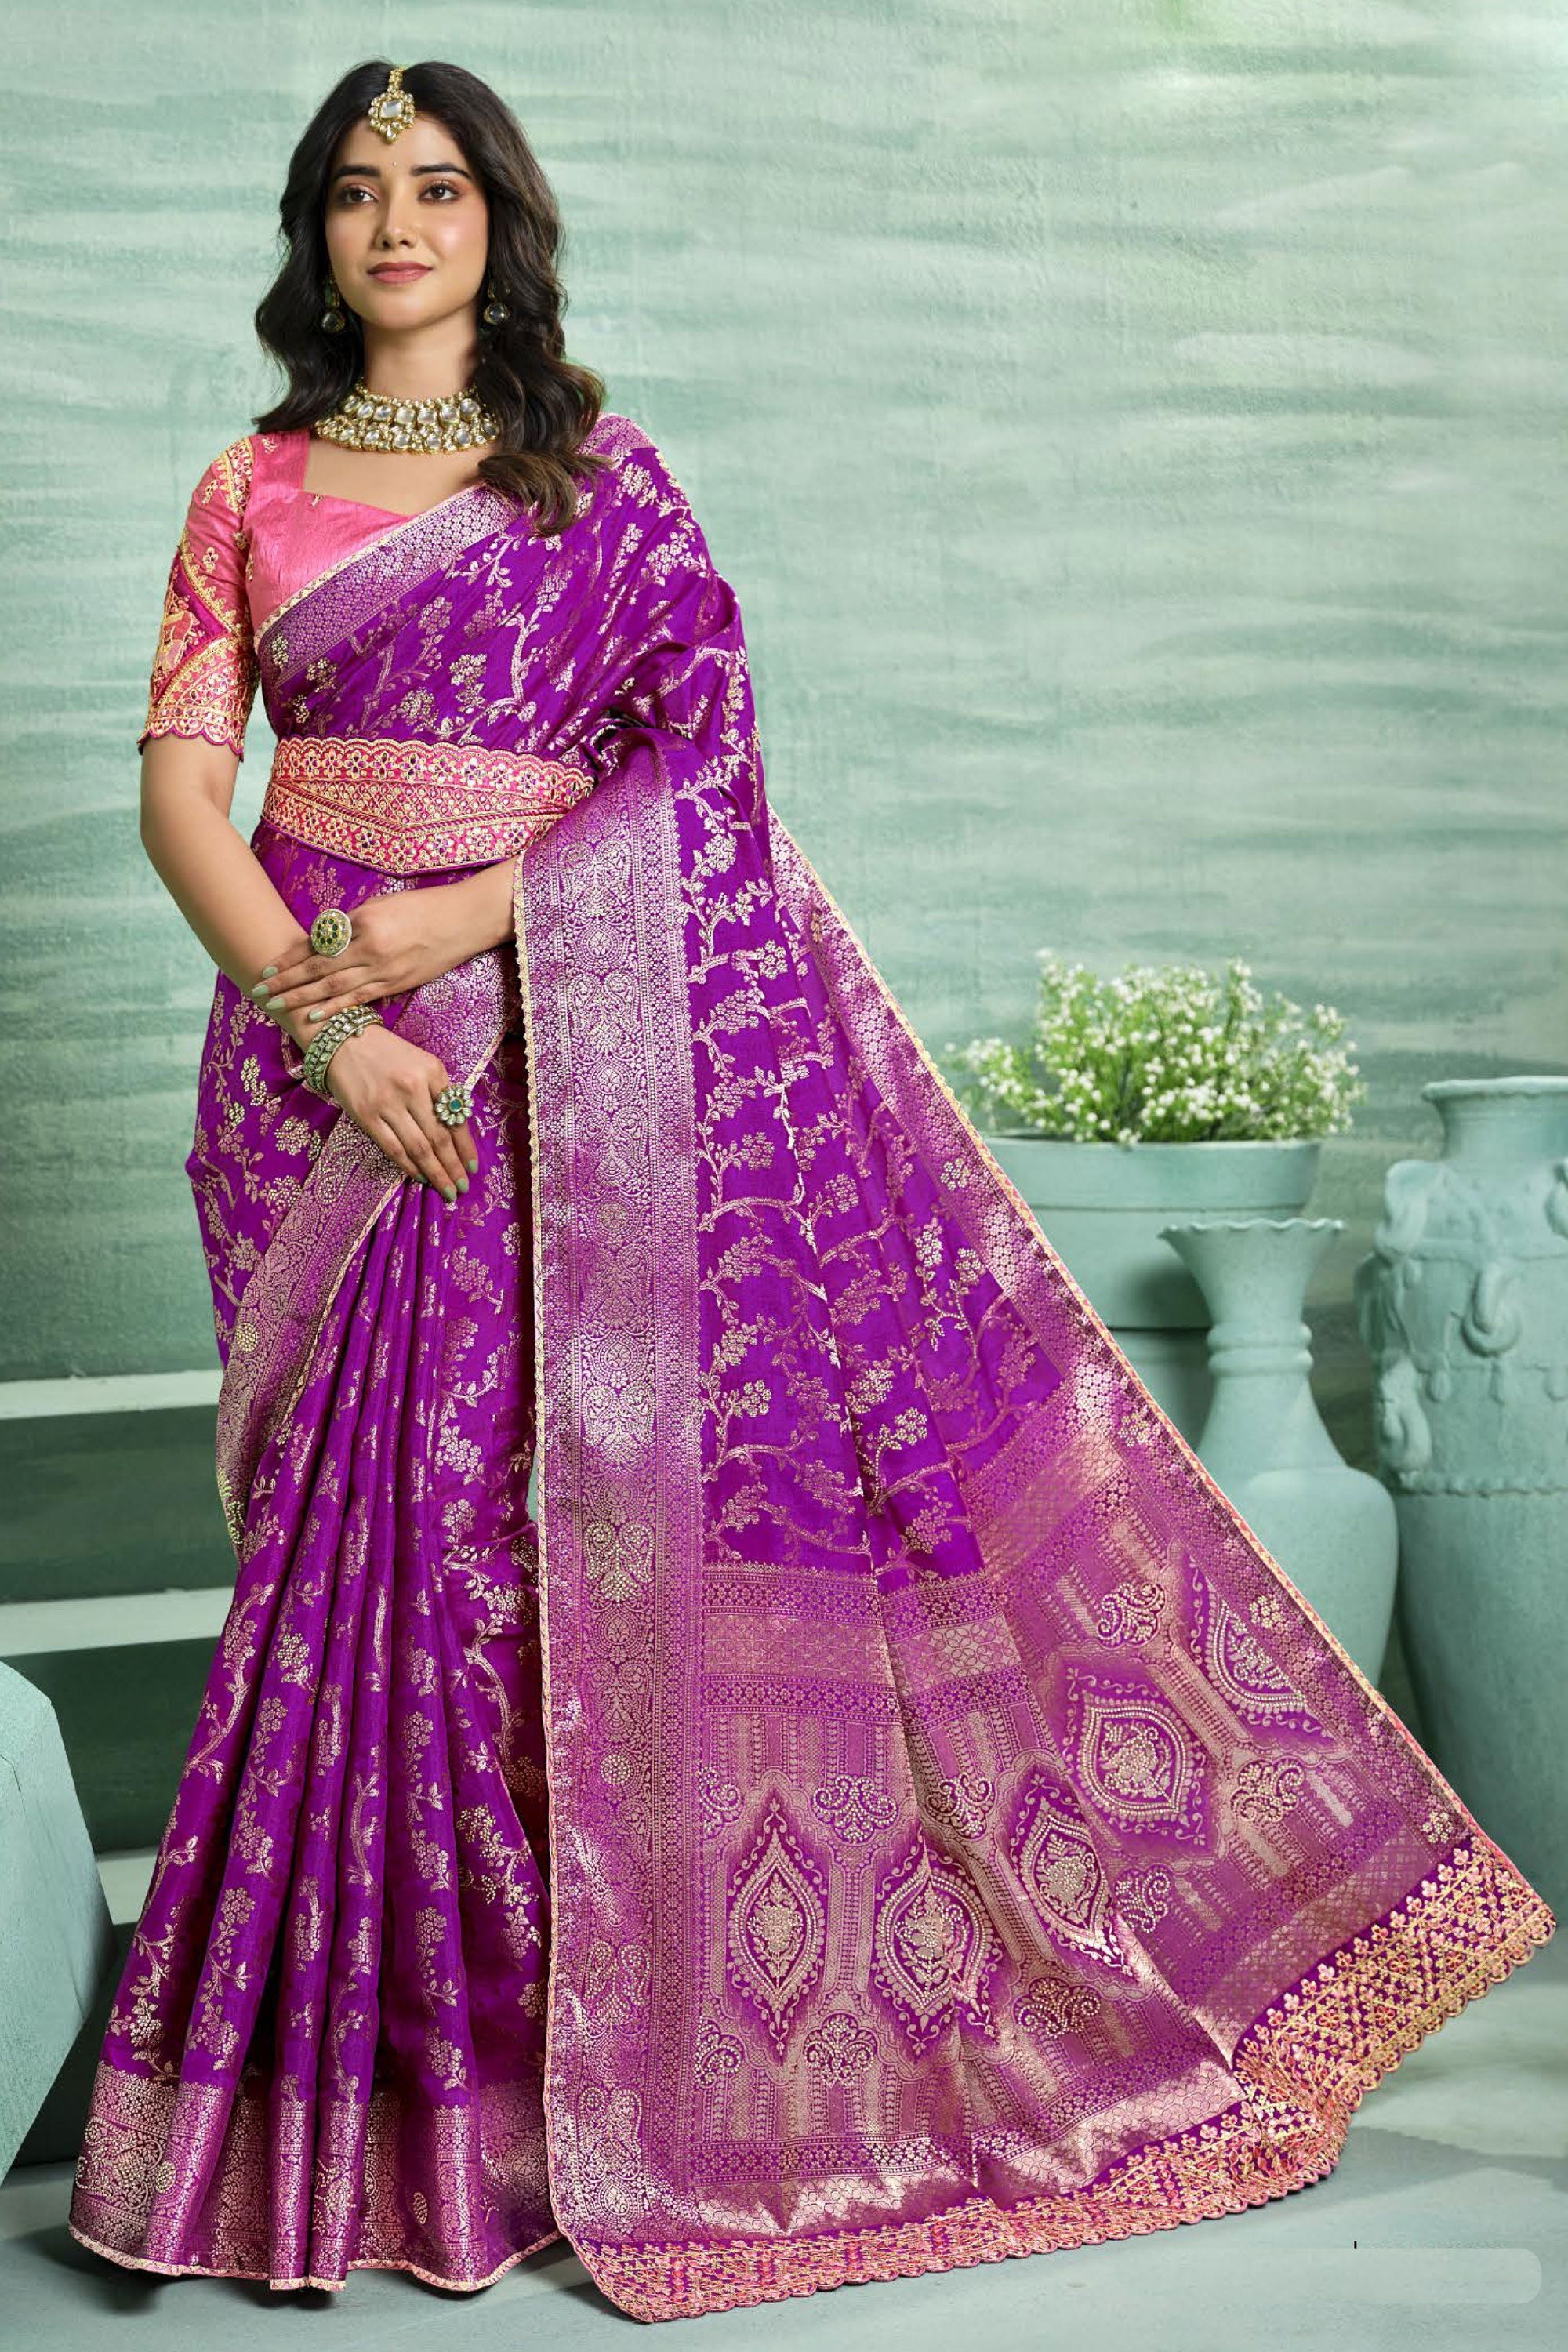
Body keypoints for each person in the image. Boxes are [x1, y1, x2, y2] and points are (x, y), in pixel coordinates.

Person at [67, 56, 1554, 2323]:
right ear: (313, 230)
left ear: (499, 221)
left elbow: (706, 773)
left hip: (562, 1060)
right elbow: (184, 786)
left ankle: (582, 2098)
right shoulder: (246, 487)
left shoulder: (598, 481)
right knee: (364, 1559)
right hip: (319, 1062)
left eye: (437, 185)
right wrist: (321, 1019)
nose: (397, 223)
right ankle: (394, 2120)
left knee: (518, 1551)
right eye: (357, 190)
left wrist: (468, 922)